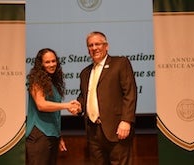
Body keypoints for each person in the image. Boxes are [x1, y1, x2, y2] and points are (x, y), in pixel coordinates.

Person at [77, 31, 137, 165]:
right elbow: (84, 96)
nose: (94, 48)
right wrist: (78, 105)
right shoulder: (85, 73)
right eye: (90, 45)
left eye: (97, 44)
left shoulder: (120, 63)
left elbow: (130, 92)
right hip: (93, 132)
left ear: (106, 46)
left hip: (117, 129)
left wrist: (126, 121)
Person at [26, 48, 80, 165]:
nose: (52, 64)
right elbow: (41, 105)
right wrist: (67, 105)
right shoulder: (36, 80)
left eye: (53, 61)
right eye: (47, 62)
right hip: (39, 135)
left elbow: (54, 114)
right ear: (40, 64)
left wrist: (58, 136)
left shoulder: (52, 82)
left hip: (52, 135)